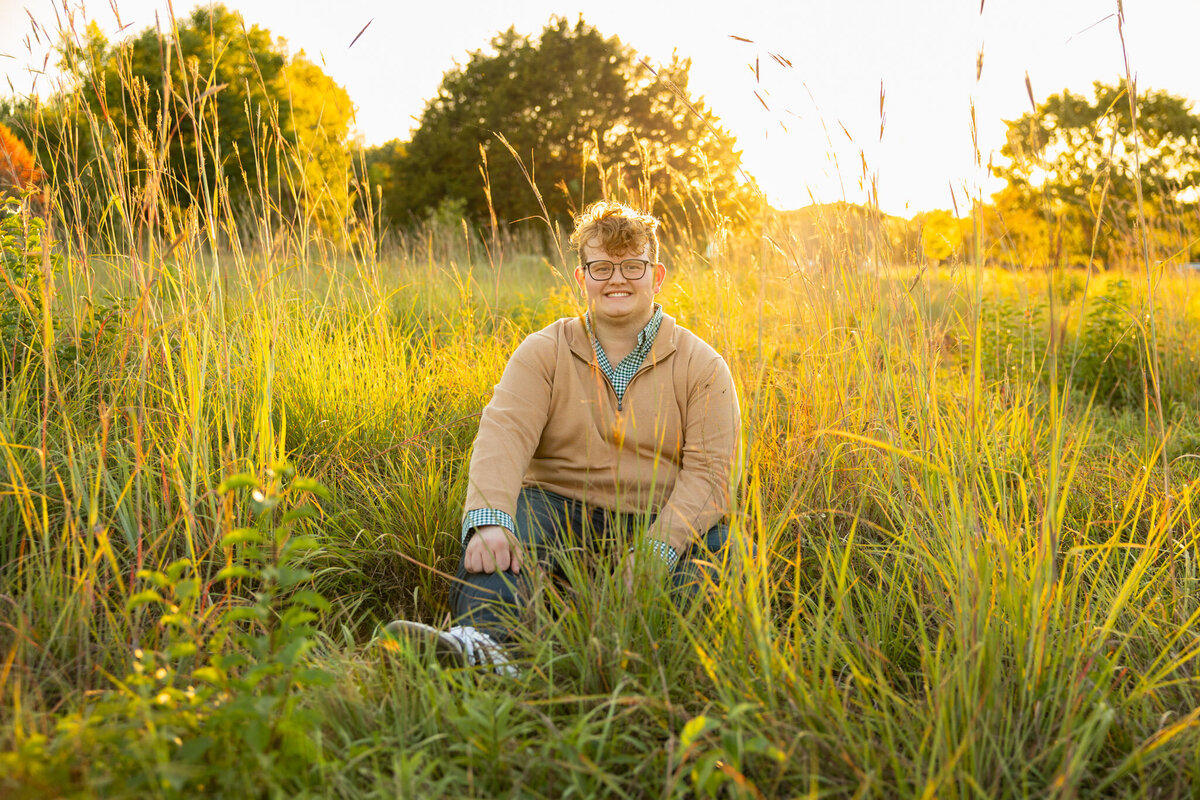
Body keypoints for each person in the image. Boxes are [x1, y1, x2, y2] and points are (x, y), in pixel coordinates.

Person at [384, 201, 741, 674]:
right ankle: (485, 649)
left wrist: (658, 548)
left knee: (716, 550)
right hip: (556, 506)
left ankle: (660, 662)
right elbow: (503, 433)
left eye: (632, 266)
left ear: (656, 277)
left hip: (656, 514)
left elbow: (711, 474)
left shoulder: (703, 364)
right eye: (601, 267)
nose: (617, 278)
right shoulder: (543, 351)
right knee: (504, 536)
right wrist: (490, 518)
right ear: (582, 278)